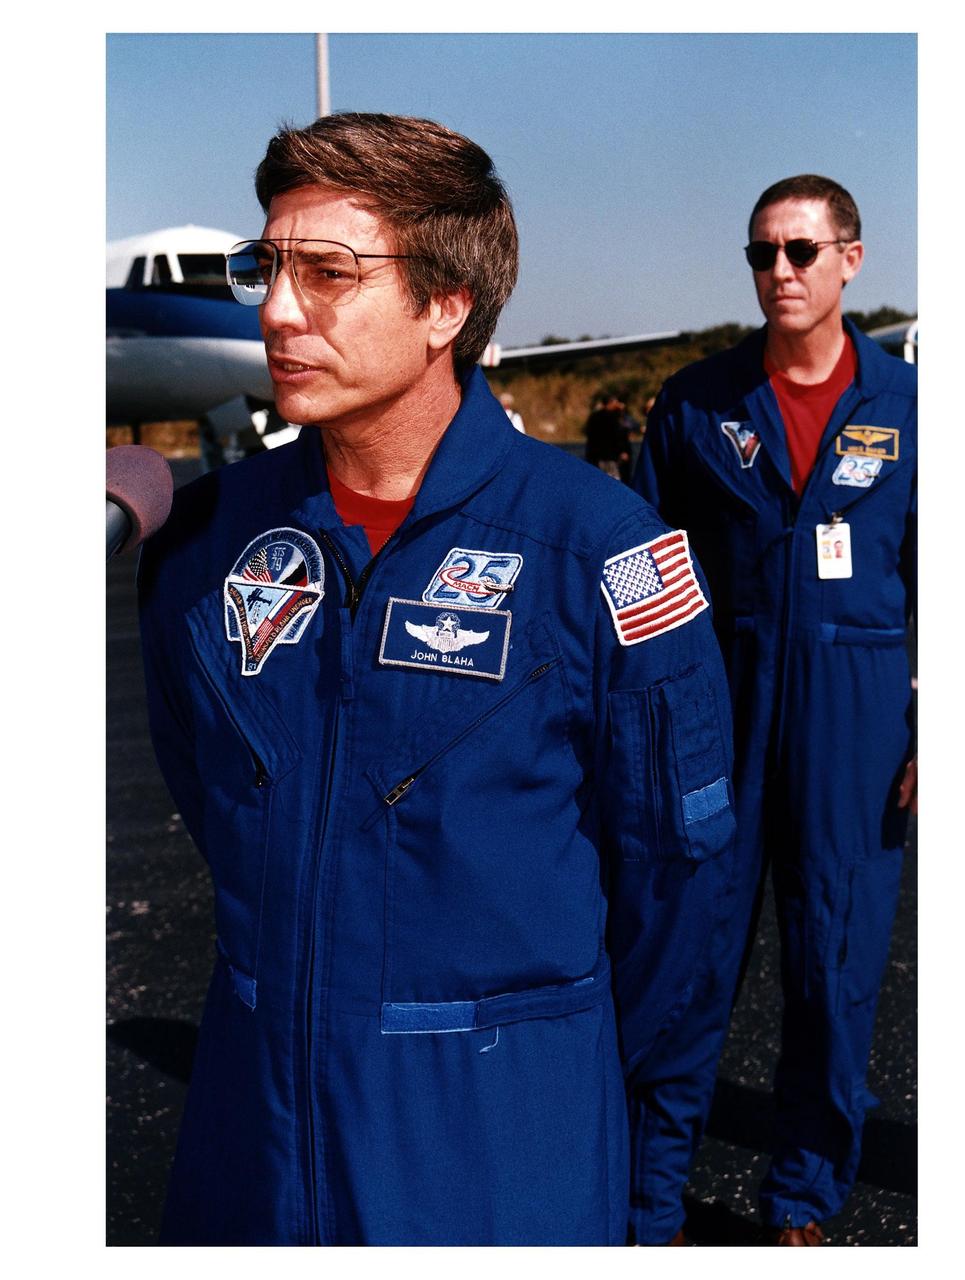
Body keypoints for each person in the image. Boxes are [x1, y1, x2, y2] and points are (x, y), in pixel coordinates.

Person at [137, 112, 736, 1246]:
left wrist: (539, 1073)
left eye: (327, 272)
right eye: (266, 265)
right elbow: (213, 790)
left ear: (445, 307)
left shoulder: (601, 554)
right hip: (249, 1143)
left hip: (497, 1152)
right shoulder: (205, 543)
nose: (273, 307)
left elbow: (678, 900)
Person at [632, 174, 916, 1246]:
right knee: (684, 957)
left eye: (800, 251)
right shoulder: (695, 402)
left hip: (855, 719)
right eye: (761, 255)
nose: (779, 273)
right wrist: (645, 725)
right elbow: (644, 572)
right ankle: (647, 1199)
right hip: (721, 709)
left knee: (835, 966)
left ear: (849, 256)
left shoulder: (909, 407)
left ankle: (801, 1190)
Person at [583, 393, 632, 480]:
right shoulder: (613, 417)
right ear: (610, 403)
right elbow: (619, 434)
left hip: (598, 455)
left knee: (601, 478)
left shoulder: (595, 416)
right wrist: (622, 451)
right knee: (613, 479)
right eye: (615, 402)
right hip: (610, 456)